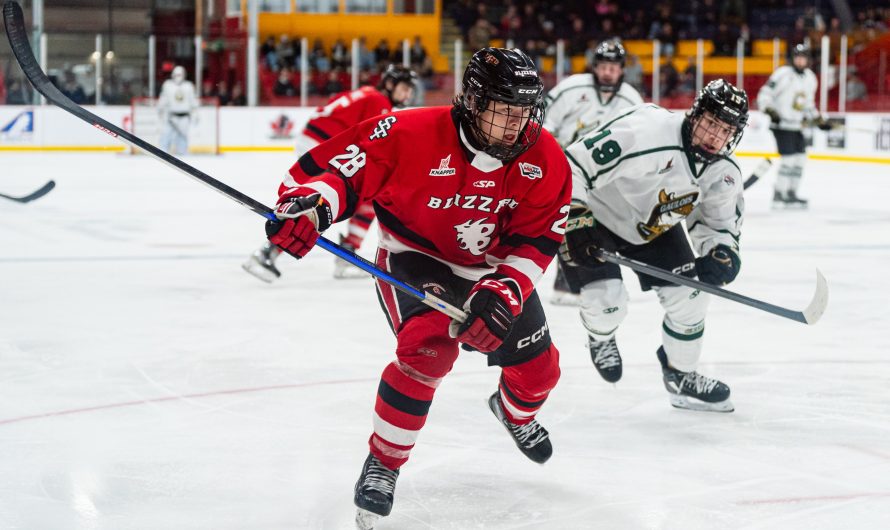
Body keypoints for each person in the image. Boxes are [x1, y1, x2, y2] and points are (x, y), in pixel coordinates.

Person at [263, 47, 570, 528]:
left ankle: (514, 413)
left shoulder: (545, 159)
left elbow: (538, 238)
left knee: (540, 373)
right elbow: (340, 170)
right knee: (428, 347)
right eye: (503, 109)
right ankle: (384, 462)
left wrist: (504, 291)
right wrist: (311, 206)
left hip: (491, 269)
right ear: (472, 100)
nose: (516, 124)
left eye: (524, 110)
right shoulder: (409, 131)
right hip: (416, 257)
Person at [560, 79, 748, 413]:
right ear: (696, 113)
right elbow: (573, 164)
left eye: (725, 130)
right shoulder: (648, 130)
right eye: (711, 123)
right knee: (606, 305)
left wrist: (720, 253)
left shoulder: (723, 171)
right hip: (597, 217)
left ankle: (681, 375)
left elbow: (716, 225)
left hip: (653, 228)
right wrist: (575, 216)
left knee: (691, 300)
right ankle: (600, 337)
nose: (714, 136)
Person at [242, 65, 418, 282]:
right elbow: (376, 142)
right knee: (328, 203)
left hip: (316, 140)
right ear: (390, 84)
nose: (408, 93)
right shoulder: (379, 102)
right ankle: (271, 251)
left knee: (330, 201)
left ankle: (276, 250)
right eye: (405, 87)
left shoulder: (368, 93)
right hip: (324, 145)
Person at [542, 39, 644, 306]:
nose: (608, 72)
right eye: (603, 66)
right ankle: (566, 279)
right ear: (595, 67)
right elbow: (543, 120)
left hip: (606, 178)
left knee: (596, 226)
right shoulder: (573, 87)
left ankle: (597, 280)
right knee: (566, 220)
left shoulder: (631, 100)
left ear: (622, 69)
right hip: (565, 170)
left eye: (613, 67)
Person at [757, 44, 831, 208]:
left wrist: (818, 120)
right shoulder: (782, 74)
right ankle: (779, 193)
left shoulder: (810, 78)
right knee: (788, 160)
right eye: (797, 56)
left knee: (800, 160)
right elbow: (765, 94)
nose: (800, 60)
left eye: (803, 57)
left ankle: (791, 193)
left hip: (797, 127)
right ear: (792, 58)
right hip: (782, 125)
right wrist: (770, 110)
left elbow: (808, 104)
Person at [157, 66, 198, 156]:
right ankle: (162, 156)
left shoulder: (188, 86)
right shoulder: (168, 85)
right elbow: (163, 99)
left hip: (184, 118)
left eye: (180, 74)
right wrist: (159, 110)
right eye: (176, 74)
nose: (178, 77)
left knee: (182, 139)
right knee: (166, 137)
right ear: (172, 75)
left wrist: (195, 115)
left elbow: (193, 101)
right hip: (171, 117)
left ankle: (183, 158)